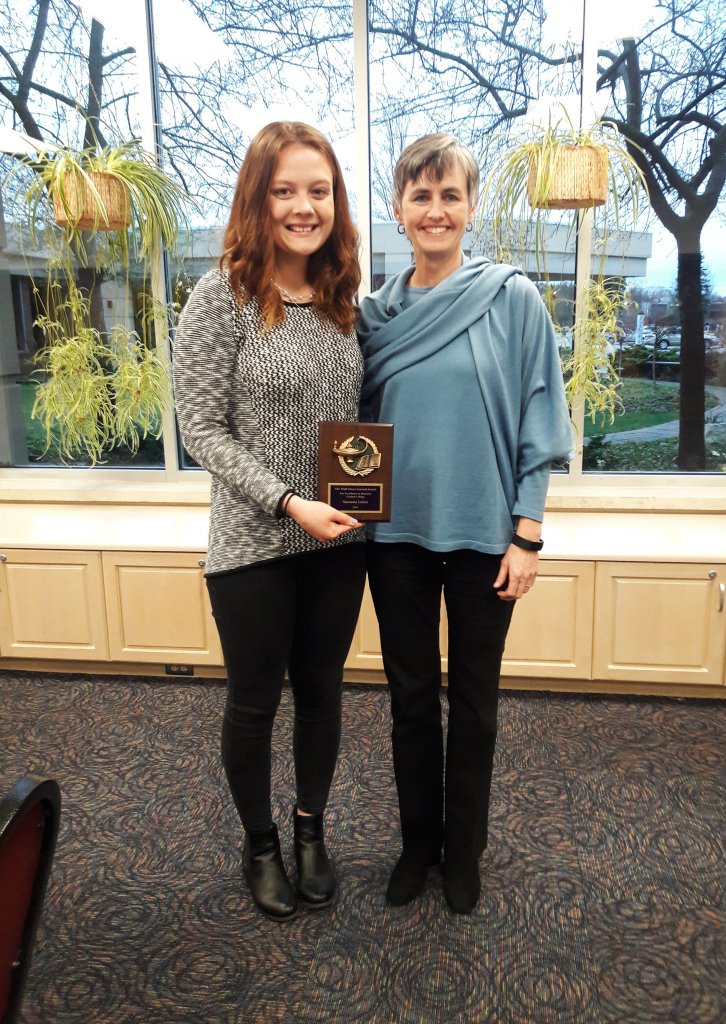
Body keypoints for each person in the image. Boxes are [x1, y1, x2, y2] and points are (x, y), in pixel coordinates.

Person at [358, 134, 572, 914]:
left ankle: (464, 851)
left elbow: (540, 421)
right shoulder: (375, 314)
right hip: (397, 542)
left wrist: (530, 533)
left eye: (451, 196)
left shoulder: (512, 298)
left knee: (474, 703)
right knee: (410, 700)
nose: (436, 209)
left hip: (487, 539)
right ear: (398, 210)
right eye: (421, 196)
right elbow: (357, 427)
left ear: (472, 208)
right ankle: (418, 845)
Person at [173, 122, 366, 921]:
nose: (302, 206)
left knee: (323, 694)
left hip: (340, 542)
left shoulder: (340, 297)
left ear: (335, 201)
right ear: (258, 199)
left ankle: (311, 830)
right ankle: (260, 843)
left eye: (317, 190)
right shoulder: (222, 296)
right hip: (255, 544)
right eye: (284, 189)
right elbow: (200, 428)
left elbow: (357, 420)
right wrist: (288, 502)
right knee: (255, 703)